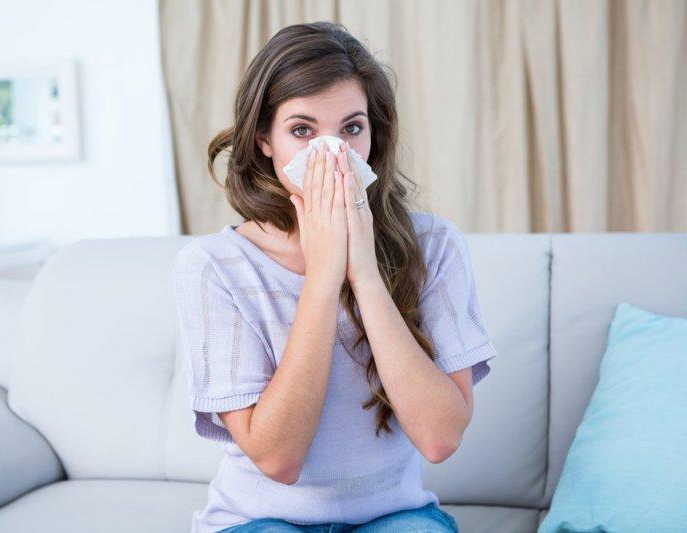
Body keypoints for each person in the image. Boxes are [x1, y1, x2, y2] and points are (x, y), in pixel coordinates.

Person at [172, 21, 498, 533]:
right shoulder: (214, 266)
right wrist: (323, 277)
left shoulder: (436, 245)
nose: (332, 154)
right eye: (302, 131)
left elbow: (440, 439)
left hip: (395, 515)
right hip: (261, 519)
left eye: (351, 129)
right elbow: (279, 460)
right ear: (264, 139)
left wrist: (364, 273)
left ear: (373, 135)